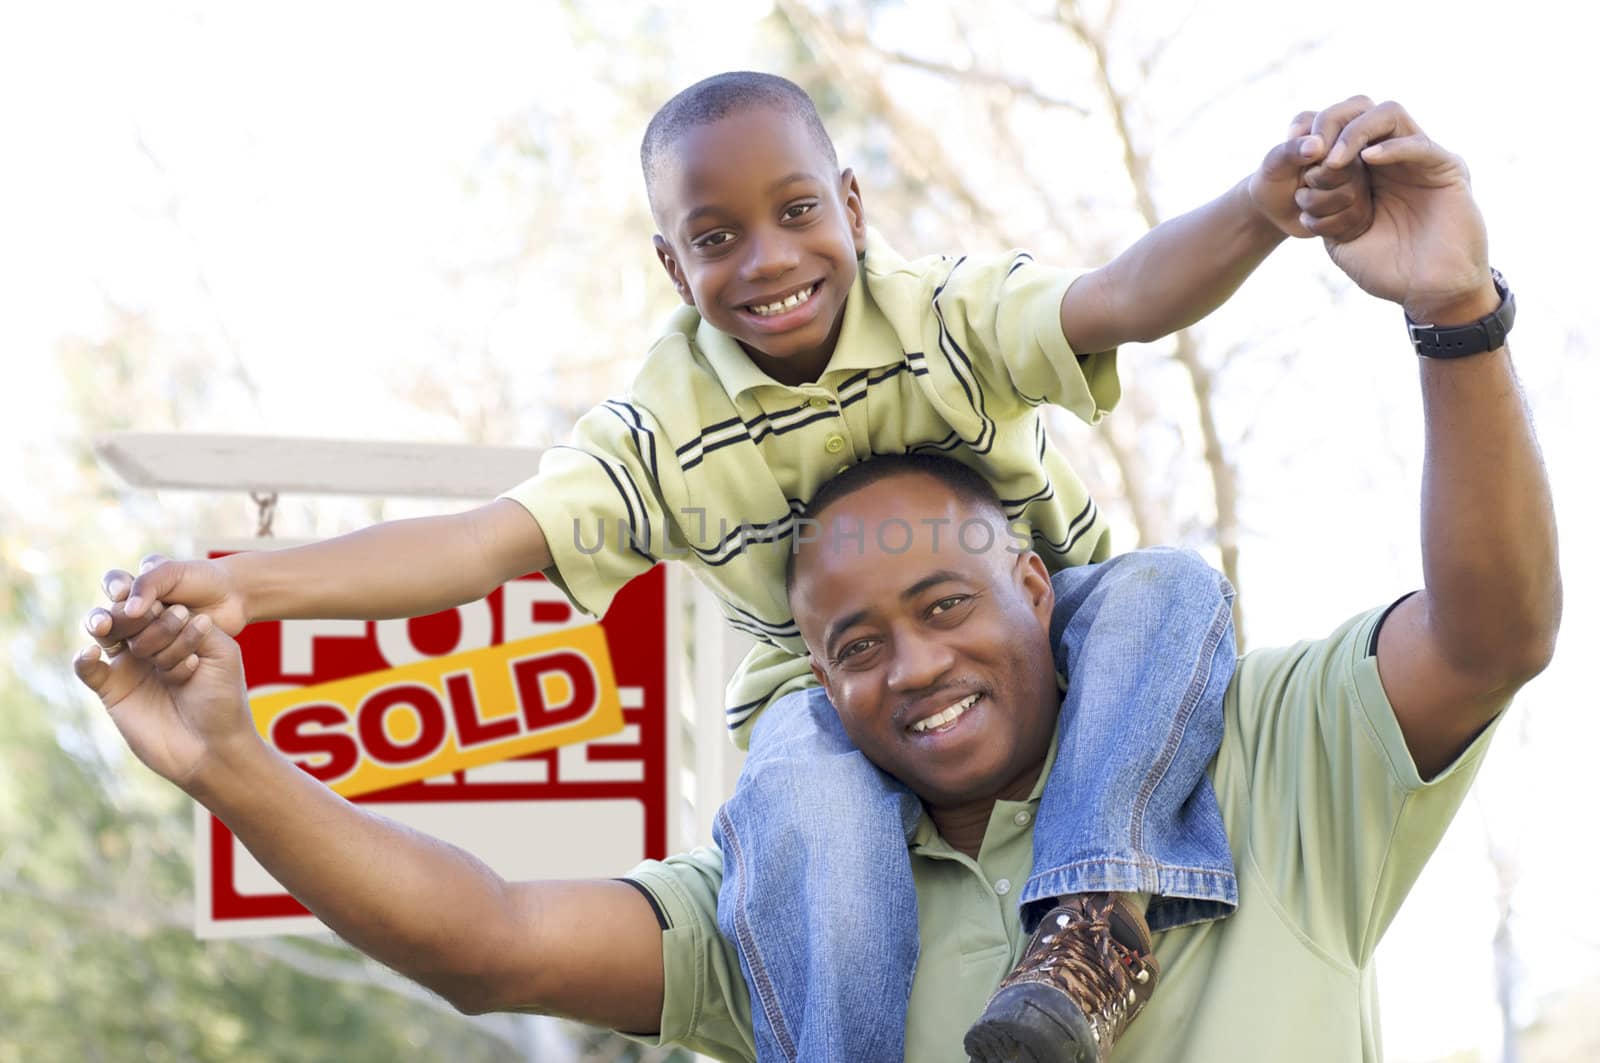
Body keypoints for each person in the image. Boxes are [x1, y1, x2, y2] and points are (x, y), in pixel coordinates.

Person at [78, 99, 1558, 1062]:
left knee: (1173, 588)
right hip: (809, 787)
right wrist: (244, 635)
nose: (910, 665)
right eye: (857, 638)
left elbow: (1487, 629)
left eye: (944, 609)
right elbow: (486, 590)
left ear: (851, 204)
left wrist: (1344, 252)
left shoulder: (1261, 761)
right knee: (792, 787)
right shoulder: (801, 870)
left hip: (1123, 669)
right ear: (673, 267)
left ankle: (1095, 915)